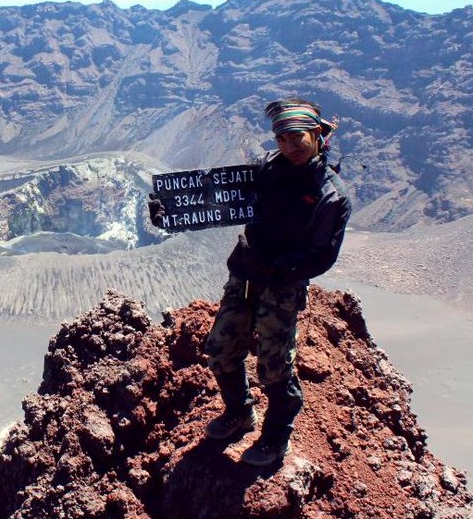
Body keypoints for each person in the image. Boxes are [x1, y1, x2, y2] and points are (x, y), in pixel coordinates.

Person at [150, 97, 352, 466]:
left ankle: (275, 438)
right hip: (244, 274)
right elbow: (218, 200)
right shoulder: (267, 169)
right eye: (282, 139)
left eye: (297, 138)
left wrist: (276, 267)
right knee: (222, 348)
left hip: (281, 286)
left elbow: (322, 255)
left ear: (317, 135)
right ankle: (239, 411)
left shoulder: (330, 195)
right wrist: (169, 211)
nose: (289, 147)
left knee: (275, 365)